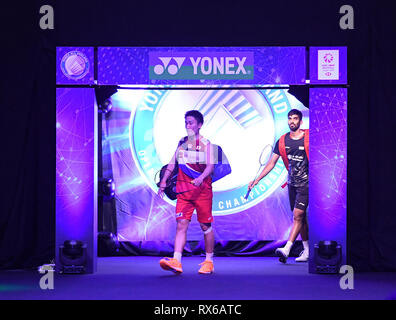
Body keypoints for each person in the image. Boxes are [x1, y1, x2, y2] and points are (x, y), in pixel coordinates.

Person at [158, 110, 215, 274]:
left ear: (199, 125)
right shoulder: (182, 143)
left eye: (191, 123)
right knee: (181, 225)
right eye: (186, 123)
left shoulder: (207, 144)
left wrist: (201, 178)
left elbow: (210, 167)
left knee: (206, 226)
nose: (188, 126)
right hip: (184, 192)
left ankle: (209, 262)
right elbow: (172, 162)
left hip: (202, 192)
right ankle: (176, 261)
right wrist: (164, 181)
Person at [248, 109, 309, 263]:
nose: (292, 121)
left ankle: (287, 248)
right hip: (292, 184)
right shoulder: (282, 141)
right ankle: (307, 250)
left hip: (307, 184)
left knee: (297, 216)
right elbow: (271, 163)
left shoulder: (309, 138)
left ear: (300, 121)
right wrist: (257, 179)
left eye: (295, 118)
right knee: (301, 218)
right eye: (290, 118)